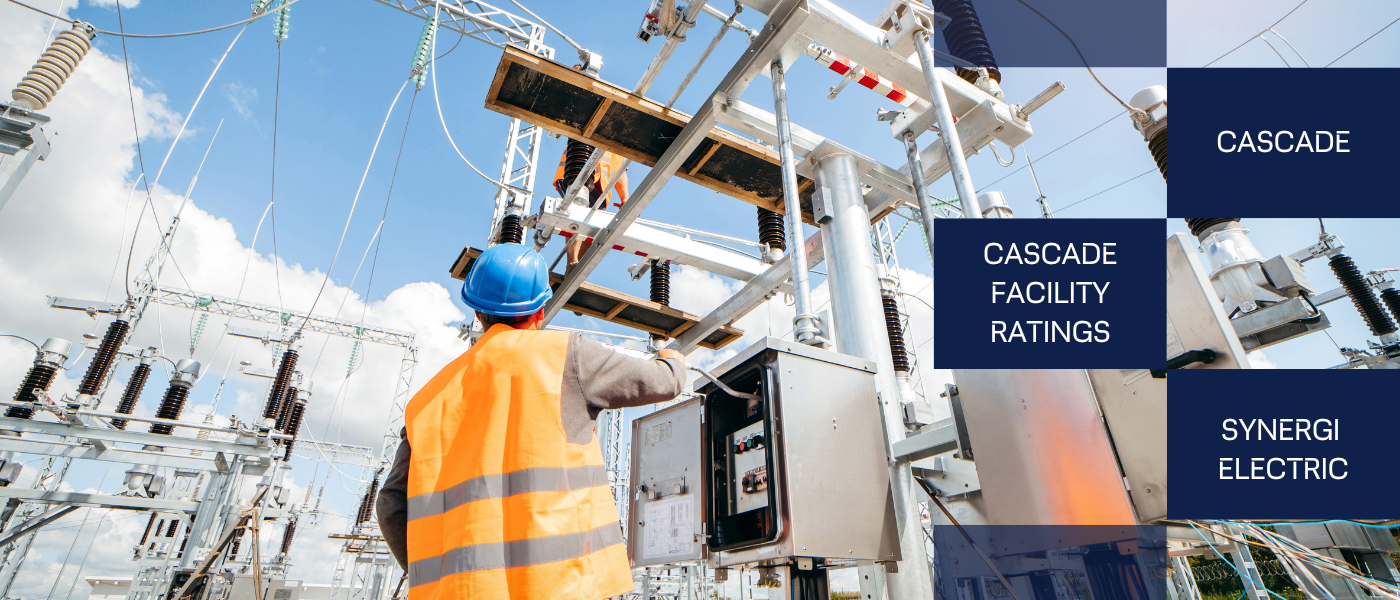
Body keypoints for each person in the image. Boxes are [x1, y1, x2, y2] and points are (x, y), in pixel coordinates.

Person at [376, 243, 686, 599]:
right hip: (561, 586)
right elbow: (665, 382)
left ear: (478, 313)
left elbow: (391, 504)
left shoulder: (427, 400)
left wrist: (435, 578)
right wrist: (671, 356)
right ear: (540, 310)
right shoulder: (567, 357)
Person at [554, 139, 629, 271]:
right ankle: (571, 262)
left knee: (591, 228)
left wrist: (625, 198)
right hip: (575, 172)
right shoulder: (603, 124)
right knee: (578, 212)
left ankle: (576, 269)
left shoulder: (621, 146)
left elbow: (621, 170)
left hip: (600, 186)